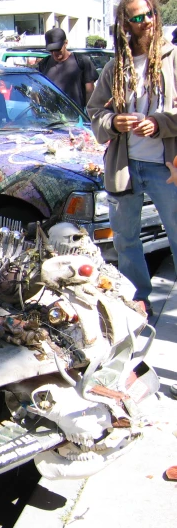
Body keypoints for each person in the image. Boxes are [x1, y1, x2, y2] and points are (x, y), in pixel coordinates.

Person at [87, 0, 177, 315]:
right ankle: (137, 302)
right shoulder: (115, 68)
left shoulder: (173, 59)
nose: (148, 21)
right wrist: (113, 122)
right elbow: (95, 111)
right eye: (138, 17)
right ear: (125, 23)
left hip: (167, 168)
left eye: (151, 14)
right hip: (124, 167)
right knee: (125, 240)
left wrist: (158, 124)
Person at [37, 28, 98, 110]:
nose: (55, 53)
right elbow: (37, 90)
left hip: (76, 117)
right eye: (51, 50)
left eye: (58, 49)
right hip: (51, 118)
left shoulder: (82, 61)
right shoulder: (44, 64)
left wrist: (88, 113)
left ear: (65, 43)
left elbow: (90, 91)